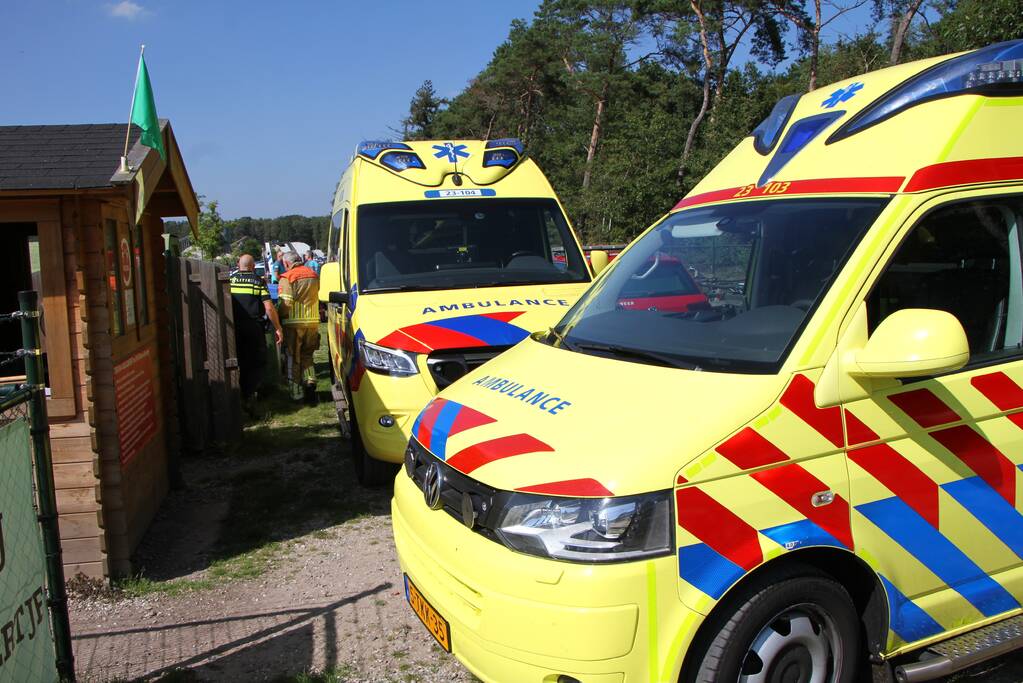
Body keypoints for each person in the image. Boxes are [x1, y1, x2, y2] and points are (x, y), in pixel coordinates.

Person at [229, 254, 283, 408]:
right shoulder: (258, 281)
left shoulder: (230, 280)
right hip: (253, 327)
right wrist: (278, 328)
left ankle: (238, 394)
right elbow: (268, 307)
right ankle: (249, 395)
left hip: (233, 326)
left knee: (237, 360)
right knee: (256, 361)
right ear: (253, 266)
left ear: (239, 265)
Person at [278, 251, 320, 402]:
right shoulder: (313, 274)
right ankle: (310, 382)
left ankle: (296, 395)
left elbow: (286, 303)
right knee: (307, 355)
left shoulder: (287, 277)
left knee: (293, 358)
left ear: (287, 263)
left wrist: (278, 315)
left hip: (293, 324)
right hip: (313, 322)